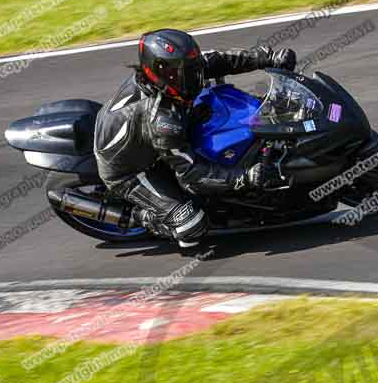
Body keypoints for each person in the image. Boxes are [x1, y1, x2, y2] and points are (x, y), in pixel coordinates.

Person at [94, 29, 296, 247]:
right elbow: (191, 174)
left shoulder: (174, 73)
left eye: (192, 67)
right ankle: (140, 216)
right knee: (191, 225)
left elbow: (219, 60)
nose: (193, 76)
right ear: (158, 71)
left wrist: (267, 58)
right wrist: (244, 177)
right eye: (182, 72)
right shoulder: (161, 120)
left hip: (141, 135)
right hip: (128, 171)